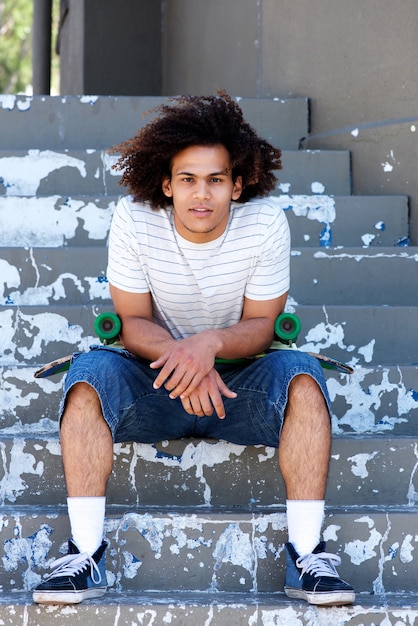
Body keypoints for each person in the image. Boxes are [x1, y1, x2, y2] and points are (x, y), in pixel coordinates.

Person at [32, 92, 354, 606]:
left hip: (240, 384)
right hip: (153, 380)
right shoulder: (135, 218)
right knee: (89, 376)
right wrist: (189, 362)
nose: (201, 194)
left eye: (216, 179)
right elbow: (132, 322)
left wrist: (209, 346)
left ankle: (306, 554)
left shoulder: (265, 222)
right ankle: (86, 555)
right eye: (187, 179)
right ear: (167, 183)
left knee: (302, 377)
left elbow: (263, 325)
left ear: (238, 183)